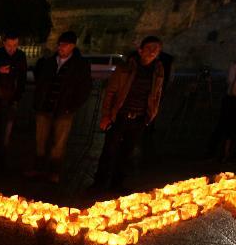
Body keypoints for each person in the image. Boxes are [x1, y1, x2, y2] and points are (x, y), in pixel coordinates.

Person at [92, 36, 165, 192]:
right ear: (140, 50)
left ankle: (116, 184)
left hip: (139, 118)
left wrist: (152, 114)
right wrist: (106, 115)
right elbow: (110, 91)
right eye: (150, 48)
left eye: (156, 49)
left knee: (126, 152)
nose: (153, 51)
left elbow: (157, 93)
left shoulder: (158, 70)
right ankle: (99, 183)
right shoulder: (126, 68)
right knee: (109, 151)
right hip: (119, 116)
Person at [30, 31, 92, 183]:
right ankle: (38, 168)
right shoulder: (49, 62)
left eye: (64, 45)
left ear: (72, 46)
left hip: (64, 110)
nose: (61, 47)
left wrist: (71, 107)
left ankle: (54, 172)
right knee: (40, 140)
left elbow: (84, 89)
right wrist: (38, 102)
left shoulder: (80, 65)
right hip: (45, 108)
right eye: (60, 44)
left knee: (59, 143)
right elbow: (40, 81)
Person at [0, 32, 27, 172]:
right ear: (4, 43)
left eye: (15, 45)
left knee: (6, 133)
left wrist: (17, 97)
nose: (12, 49)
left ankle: (1, 161)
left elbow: (22, 79)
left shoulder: (20, 57)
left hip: (11, 100)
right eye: (9, 45)